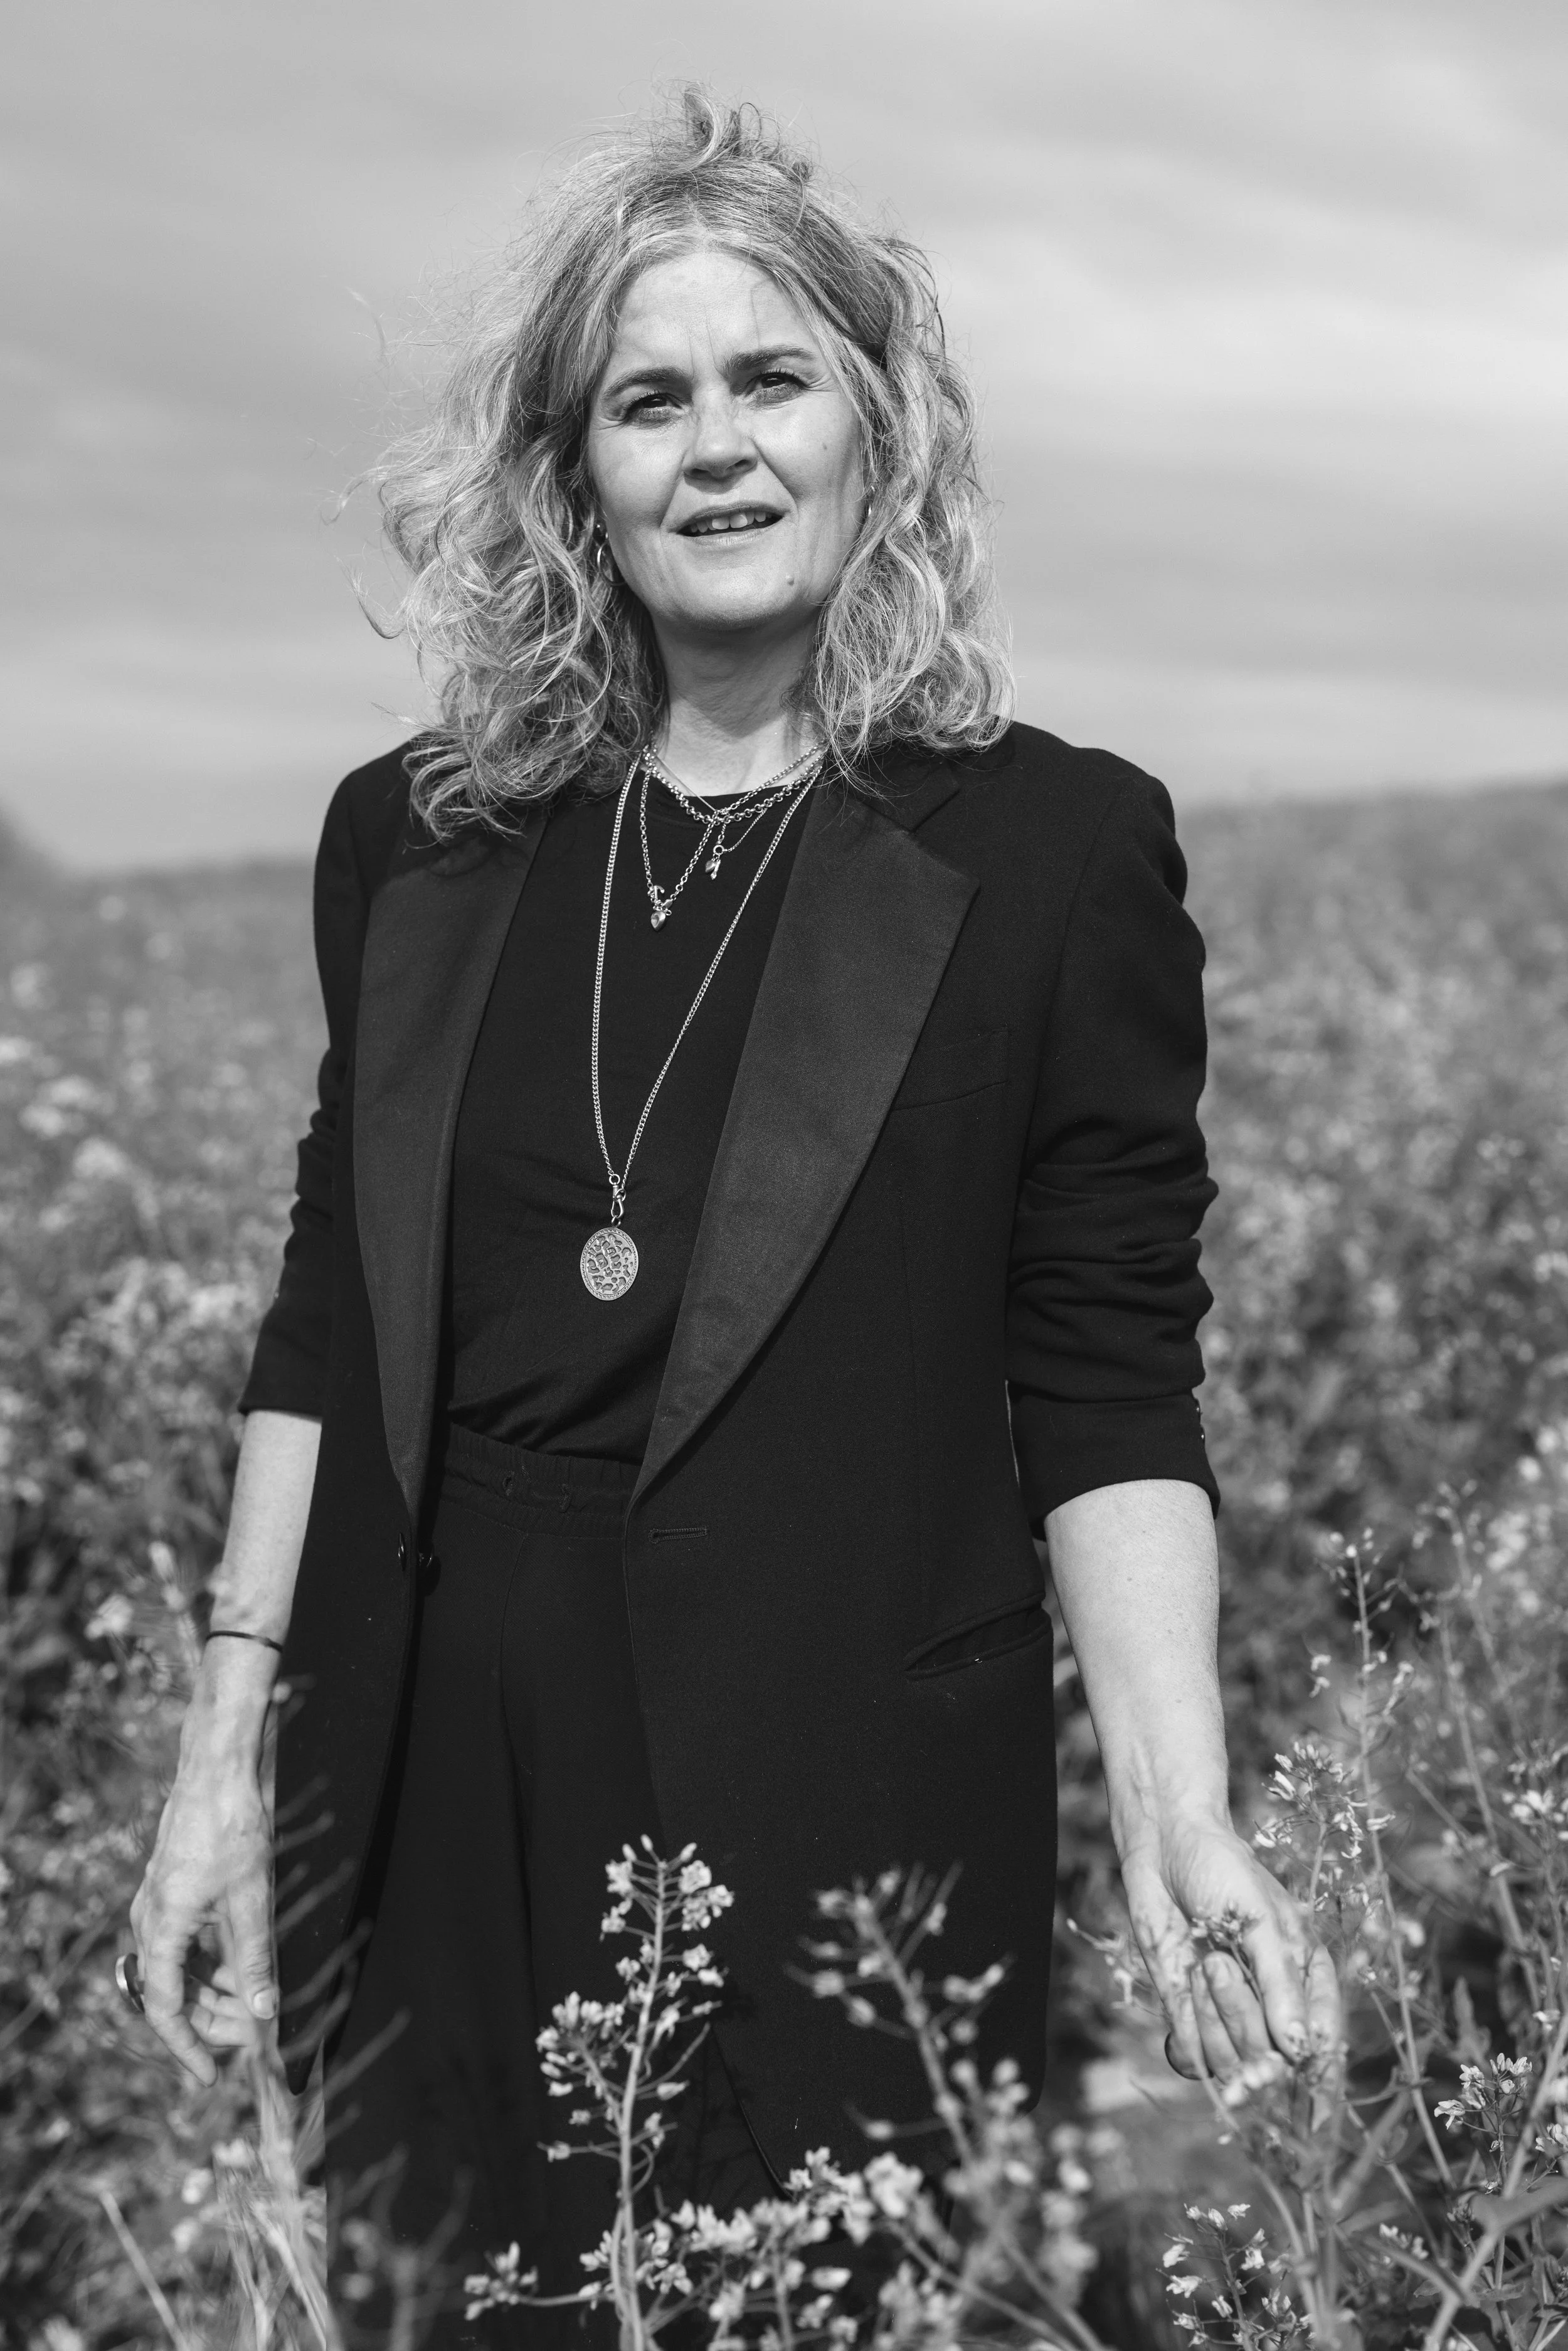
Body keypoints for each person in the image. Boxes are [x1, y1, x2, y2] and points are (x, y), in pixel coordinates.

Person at [125, 90, 1338, 2344]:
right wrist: (222, 1761)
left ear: (877, 427)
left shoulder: (1048, 852)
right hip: (427, 1775)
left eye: (770, 380)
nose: (715, 450)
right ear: (569, 471)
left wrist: (1179, 1808)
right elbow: (327, 1316)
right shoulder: (420, 839)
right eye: (646, 400)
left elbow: (1104, 1369)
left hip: (837, 1781)